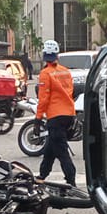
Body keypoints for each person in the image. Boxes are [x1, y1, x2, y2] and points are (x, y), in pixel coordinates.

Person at [36, 40, 79, 186]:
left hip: (55, 115)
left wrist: (38, 118)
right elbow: (70, 91)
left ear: (44, 55)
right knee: (51, 146)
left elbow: (43, 99)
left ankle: (71, 179)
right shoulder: (65, 71)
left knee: (61, 150)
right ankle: (42, 174)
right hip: (69, 113)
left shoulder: (45, 73)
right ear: (57, 55)